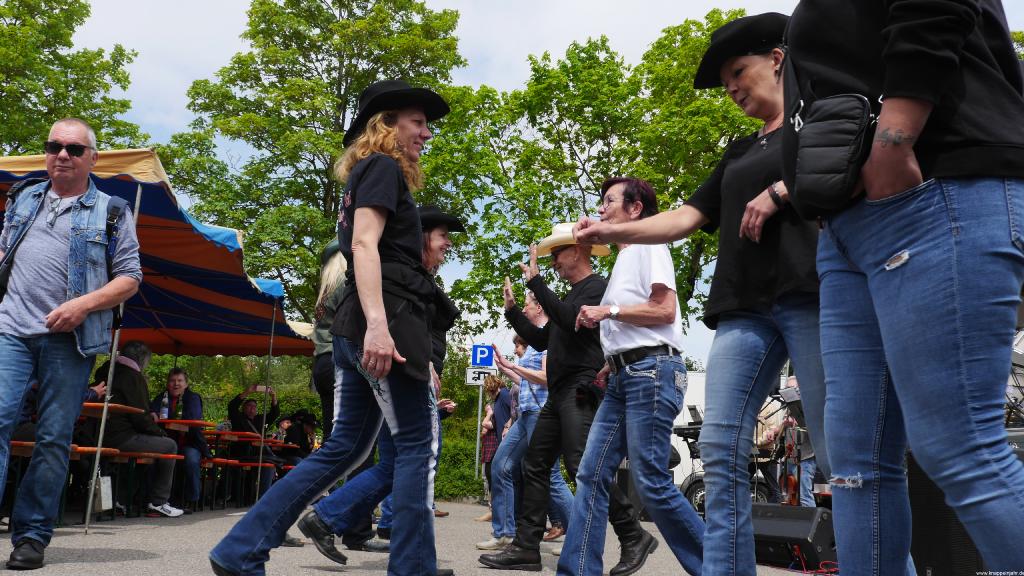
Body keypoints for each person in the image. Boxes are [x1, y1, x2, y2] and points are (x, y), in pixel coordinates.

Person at [573, 13, 829, 576]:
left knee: (841, 454)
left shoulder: (820, 121)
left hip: (814, 295)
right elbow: (686, 217)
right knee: (719, 447)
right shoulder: (737, 153)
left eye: (739, 72)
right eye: (725, 83)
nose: (732, 89)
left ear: (778, 59)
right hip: (744, 311)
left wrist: (780, 191)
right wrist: (610, 231)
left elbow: (851, 165)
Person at [787, 0, 1024, 571]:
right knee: (852, 467)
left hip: (935, 185)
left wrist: (895, 139)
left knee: (961, 445)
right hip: (848, 226)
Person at [210, 79, 453, 576]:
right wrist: (381, 329)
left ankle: (239, 550)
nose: (427, 133)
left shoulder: (366, 174)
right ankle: (413, 569)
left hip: (353, 328)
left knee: (345, 448)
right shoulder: (382, 167)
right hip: (382, 321)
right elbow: (363, 247)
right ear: (386, 123)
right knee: (414, 447)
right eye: (418, 122)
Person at [0, 118, 141, 570]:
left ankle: (32, 536)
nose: (62, 154)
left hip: (71, 341)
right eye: (54, 146)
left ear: (92, 159)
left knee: (53, 440)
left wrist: (82, 305)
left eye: (75, 149)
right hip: (11, 330)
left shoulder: (112, 210)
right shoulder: (23, 198)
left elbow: (130, 278)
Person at [479, 224, 654, 575]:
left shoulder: (598, 288)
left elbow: (568, 320)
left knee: (579, 465)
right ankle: (526, 548)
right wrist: (513, 311)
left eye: (557, 254)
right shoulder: (571, 294)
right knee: (534, 463)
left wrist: (536, 283)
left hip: (580, 389)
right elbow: (544, 340)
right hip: (558, 394)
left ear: (576, 251)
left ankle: (633, 533)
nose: (555, 262)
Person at [298, 204, 464, 563]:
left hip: (389, 367)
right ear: (421, 238)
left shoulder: (413, 274)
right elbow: (402, 328)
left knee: (392, 461)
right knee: (411, 456)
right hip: (396, 370)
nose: (448, 244)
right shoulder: (399, 273)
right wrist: (427, 369)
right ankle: (412, 558)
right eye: (443, 237)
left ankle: (326, 518)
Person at [558, 177, 704, 575]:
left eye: (609, 202)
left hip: (653, 373)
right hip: (627, 376)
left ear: (635, 209)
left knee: (651, 481)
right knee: (589, 473)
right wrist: (610, 363)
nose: (601, 208)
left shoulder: (648, 244)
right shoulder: (625, 259)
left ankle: (720, 567)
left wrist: (608, 312)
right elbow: (634, 327)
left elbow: (665, 311)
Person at [478, 300, 573, 551]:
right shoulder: (534, 343)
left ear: (540, 308)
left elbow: (547, 379)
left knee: (550, 475)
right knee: (501, 465)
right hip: (525, 415)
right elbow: (525, 380)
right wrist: (507, 368)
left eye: (528, 304)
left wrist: (514, 366)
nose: (524, 309)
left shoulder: (550, 340)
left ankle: (577, 536)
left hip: (543, 414)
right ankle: (505, 533)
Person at [95, 341, 183, 518]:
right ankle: (159, 502)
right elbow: (141, 418)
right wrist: (160, 432)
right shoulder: (133, 377)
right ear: (142, 360)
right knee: (169, 445)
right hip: (121, 436)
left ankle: (120, 499)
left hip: (98, 433)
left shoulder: (107, 371)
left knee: (146, 452)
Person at [149, 367, 212, 511]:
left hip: (189, 441)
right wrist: (152, 412)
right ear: (167, 383)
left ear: (186, 384)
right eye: (172, 381)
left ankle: (192, 499)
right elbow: (151, 409)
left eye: (179, 381)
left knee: (190, 459)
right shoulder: (162, 397)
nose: (176, 384)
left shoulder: (193, 398)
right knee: (151, 461)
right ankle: (155, 498)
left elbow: (193, 419)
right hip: (165, 442)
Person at [226, 383, 281, 497]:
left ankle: (263, 497)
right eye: (249, 406)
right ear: (243, 408)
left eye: (254, 406)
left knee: (270, 465)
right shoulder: (238, 418)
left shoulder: (261, 419)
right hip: (241, 453)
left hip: (259, 453)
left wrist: (273, 396)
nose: (252, 408)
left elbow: (275, 414)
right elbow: (232, 406)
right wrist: (248, 392)